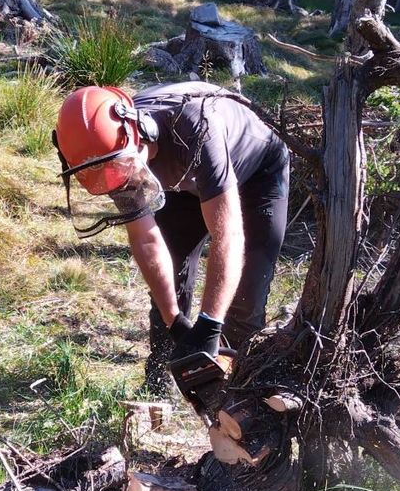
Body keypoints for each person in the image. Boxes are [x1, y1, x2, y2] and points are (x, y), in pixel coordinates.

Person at [53, 82, 289, 398]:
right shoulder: (107, 158)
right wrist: (175, 322)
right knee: (172, 279)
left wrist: (209, 324)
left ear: (138, 133)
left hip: (256, 169)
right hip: (182, 180)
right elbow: (147, 240)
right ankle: (160, 384)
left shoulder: (194, 126)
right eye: (105, 173)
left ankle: (243, 397)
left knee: (246, 298)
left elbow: (227, 235)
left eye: (119, 167)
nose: (117, 180)